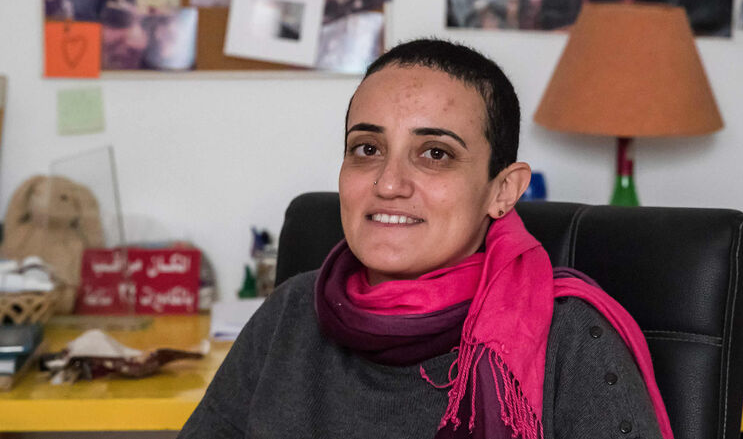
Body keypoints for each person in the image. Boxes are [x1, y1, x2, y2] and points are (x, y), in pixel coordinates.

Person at [178, 39, 673, 439]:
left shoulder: (571, 336)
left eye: (435, 153)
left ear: (502, 191)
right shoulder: (289, 311)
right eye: (367, 149)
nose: (389, 184)